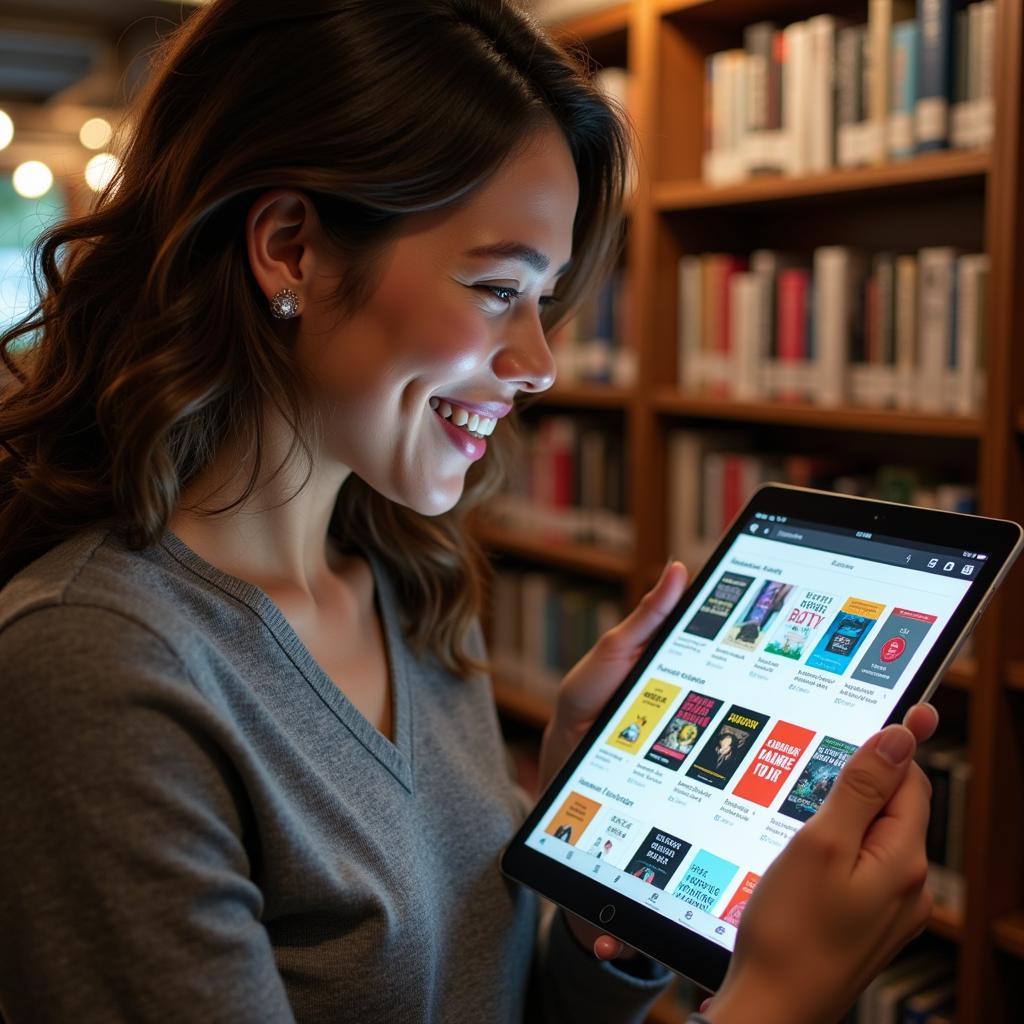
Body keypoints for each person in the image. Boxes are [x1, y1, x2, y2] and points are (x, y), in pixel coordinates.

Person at [0, 2, 936, 1022]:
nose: (538, 364)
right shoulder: (90, 663)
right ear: (290, 248)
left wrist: (589, 898)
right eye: (498, 288)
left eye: (545, 300)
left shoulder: (409, 581)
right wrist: (781, 995)